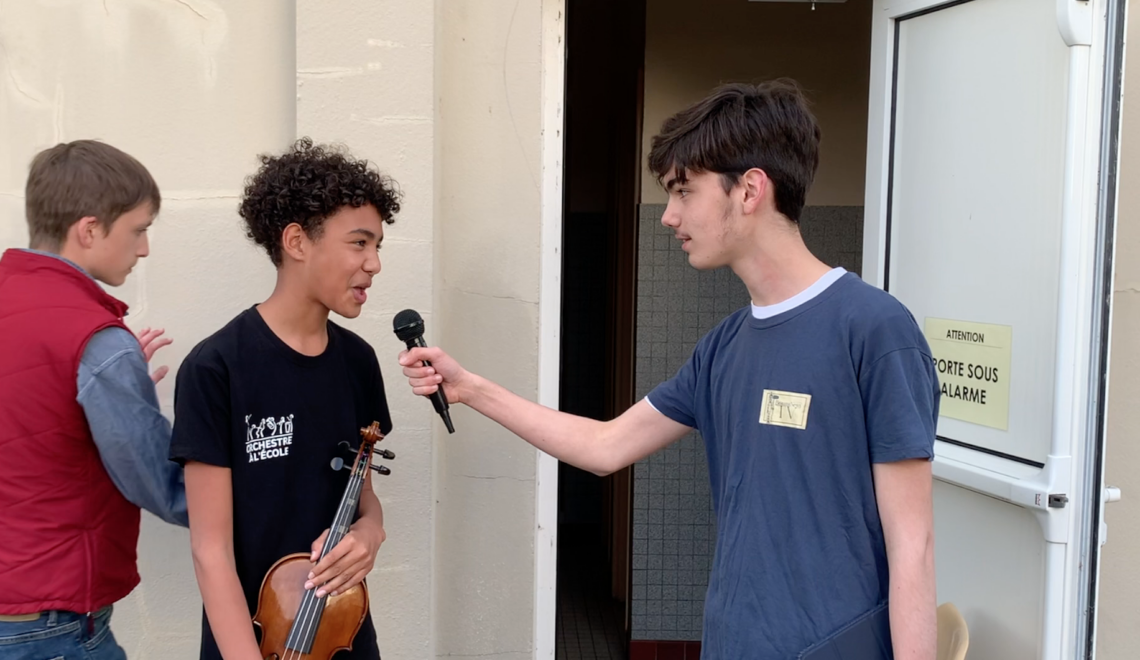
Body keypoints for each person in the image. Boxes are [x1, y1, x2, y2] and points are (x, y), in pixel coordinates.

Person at [399, 81, 939, 659]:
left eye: (684, 191)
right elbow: (605, 446)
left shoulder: (874, 330)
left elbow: (914, 546)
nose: (669, 216)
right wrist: (470, 388)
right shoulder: (723, 347)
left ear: (750, 189)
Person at [169, 138, 401, 660]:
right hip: (252, 643)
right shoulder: (216, 368)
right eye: (359, 243)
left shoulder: (359, 361)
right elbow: (210, 551)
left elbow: (361, 493)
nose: (374, 264)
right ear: (297, 241)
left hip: (341, 635)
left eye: (378, 246)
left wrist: (371, 530)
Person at [0, 140, 188, 659]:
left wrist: (111, 387)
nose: (143, 249)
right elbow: (163, 485)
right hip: (48, 629)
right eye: (138, 229)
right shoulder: (97, 341)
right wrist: (269, 499)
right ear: (89, 230)